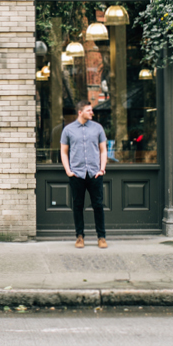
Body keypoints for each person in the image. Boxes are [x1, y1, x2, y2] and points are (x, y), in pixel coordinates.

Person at [60, 100, 108, 249]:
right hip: (77, 174)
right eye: (89, 110)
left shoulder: (98, 128)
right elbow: (63, 151)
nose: (92, 113)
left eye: (91, 110)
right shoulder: (68, 130)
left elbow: (103, 150)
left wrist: (102, 169)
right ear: (80, 112)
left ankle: (101, 237)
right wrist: (68, 170)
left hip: (94, 173)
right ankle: (79, 237)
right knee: (78, 206)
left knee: (98, 206)